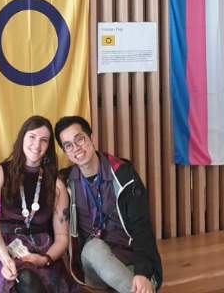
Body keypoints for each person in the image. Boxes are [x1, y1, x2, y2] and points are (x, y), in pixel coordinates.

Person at [0, 116, 83, 293]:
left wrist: (44, 259)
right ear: (22, 138)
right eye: (32, 137)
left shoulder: (57, 185)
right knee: (21, 280)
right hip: (1, 250)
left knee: (32, 281)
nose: (37, 145)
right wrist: (6, 260)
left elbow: (62, 238)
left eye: (43, 140)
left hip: (41, 254)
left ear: (48, 148)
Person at [55, 115, 163, 293]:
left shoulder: (123, 174)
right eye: (68, 145)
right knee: (94, 248)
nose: (76, 148)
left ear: (92, 138)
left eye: (79, 139)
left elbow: (142, 226)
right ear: (66, 152)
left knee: (132, 282)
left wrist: (143, 272)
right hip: (94, 264)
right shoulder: (66, 183)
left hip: (131, 261)